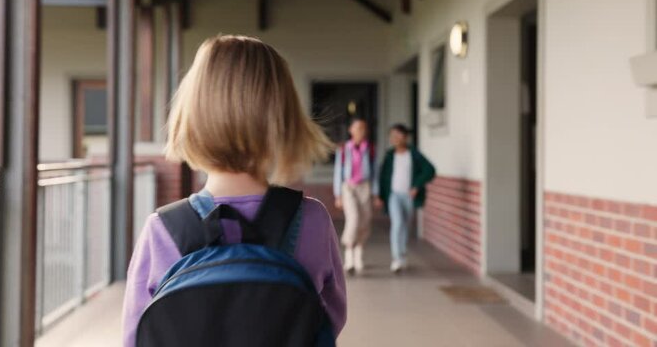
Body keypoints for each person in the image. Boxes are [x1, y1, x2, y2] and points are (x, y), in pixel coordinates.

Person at [122, 35, 346, 346]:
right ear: (284, 120)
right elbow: (329, 319)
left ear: (191, 117)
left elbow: (135, 337)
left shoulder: (162, 230)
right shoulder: (312, 220)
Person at [375, 124, 435, 273]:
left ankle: (402, 254)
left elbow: (430, 170)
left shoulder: (413, 154)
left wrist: (416, 186)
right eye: (392, 135)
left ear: (405, 137)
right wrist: (380, 195)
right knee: (397, 223)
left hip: (408, 196)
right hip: (393, 195)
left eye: (398, 135)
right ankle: (396, 258)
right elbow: (383, 177)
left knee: (406, 225)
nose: (394, 138)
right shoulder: (389, 156)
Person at [333, 118, 374, 275]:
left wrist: (375, 193)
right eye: (357, 128)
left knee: (365, 220)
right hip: (348, 187)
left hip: (365, 186)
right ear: (351, 130)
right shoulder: (344, 149)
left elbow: (374, 171)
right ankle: (349, 255)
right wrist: (338, 195)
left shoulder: (369, 148)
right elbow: (338, 172)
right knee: (354, 218)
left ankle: (359, 252)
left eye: (363, 129)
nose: (361, 131)